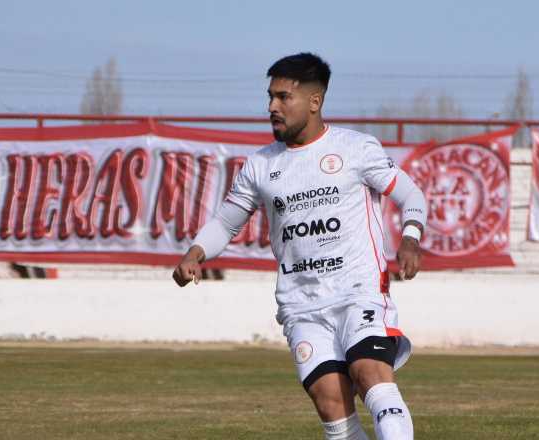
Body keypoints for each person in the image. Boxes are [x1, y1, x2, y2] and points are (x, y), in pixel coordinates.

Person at [173, 52, 428, 440]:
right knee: (331, 404)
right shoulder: (260, 165)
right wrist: (196, 253)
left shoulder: (356, 149)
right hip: (301, 305)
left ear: (314, 102)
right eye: (270, 97)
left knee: (369, 374)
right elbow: (227, 221)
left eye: (283, 98)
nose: (272, 107)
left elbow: (412, 196)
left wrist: (410, 237)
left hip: (357, 292)